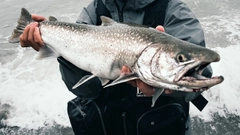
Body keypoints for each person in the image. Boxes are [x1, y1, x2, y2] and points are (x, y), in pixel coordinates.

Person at [19, 0, 212, 134]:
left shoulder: (174, 11)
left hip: (159, 125)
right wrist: (51, 41)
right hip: (105, 124)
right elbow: (82, 89)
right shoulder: (94, 10)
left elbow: (199, 80)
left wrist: (162, 85)